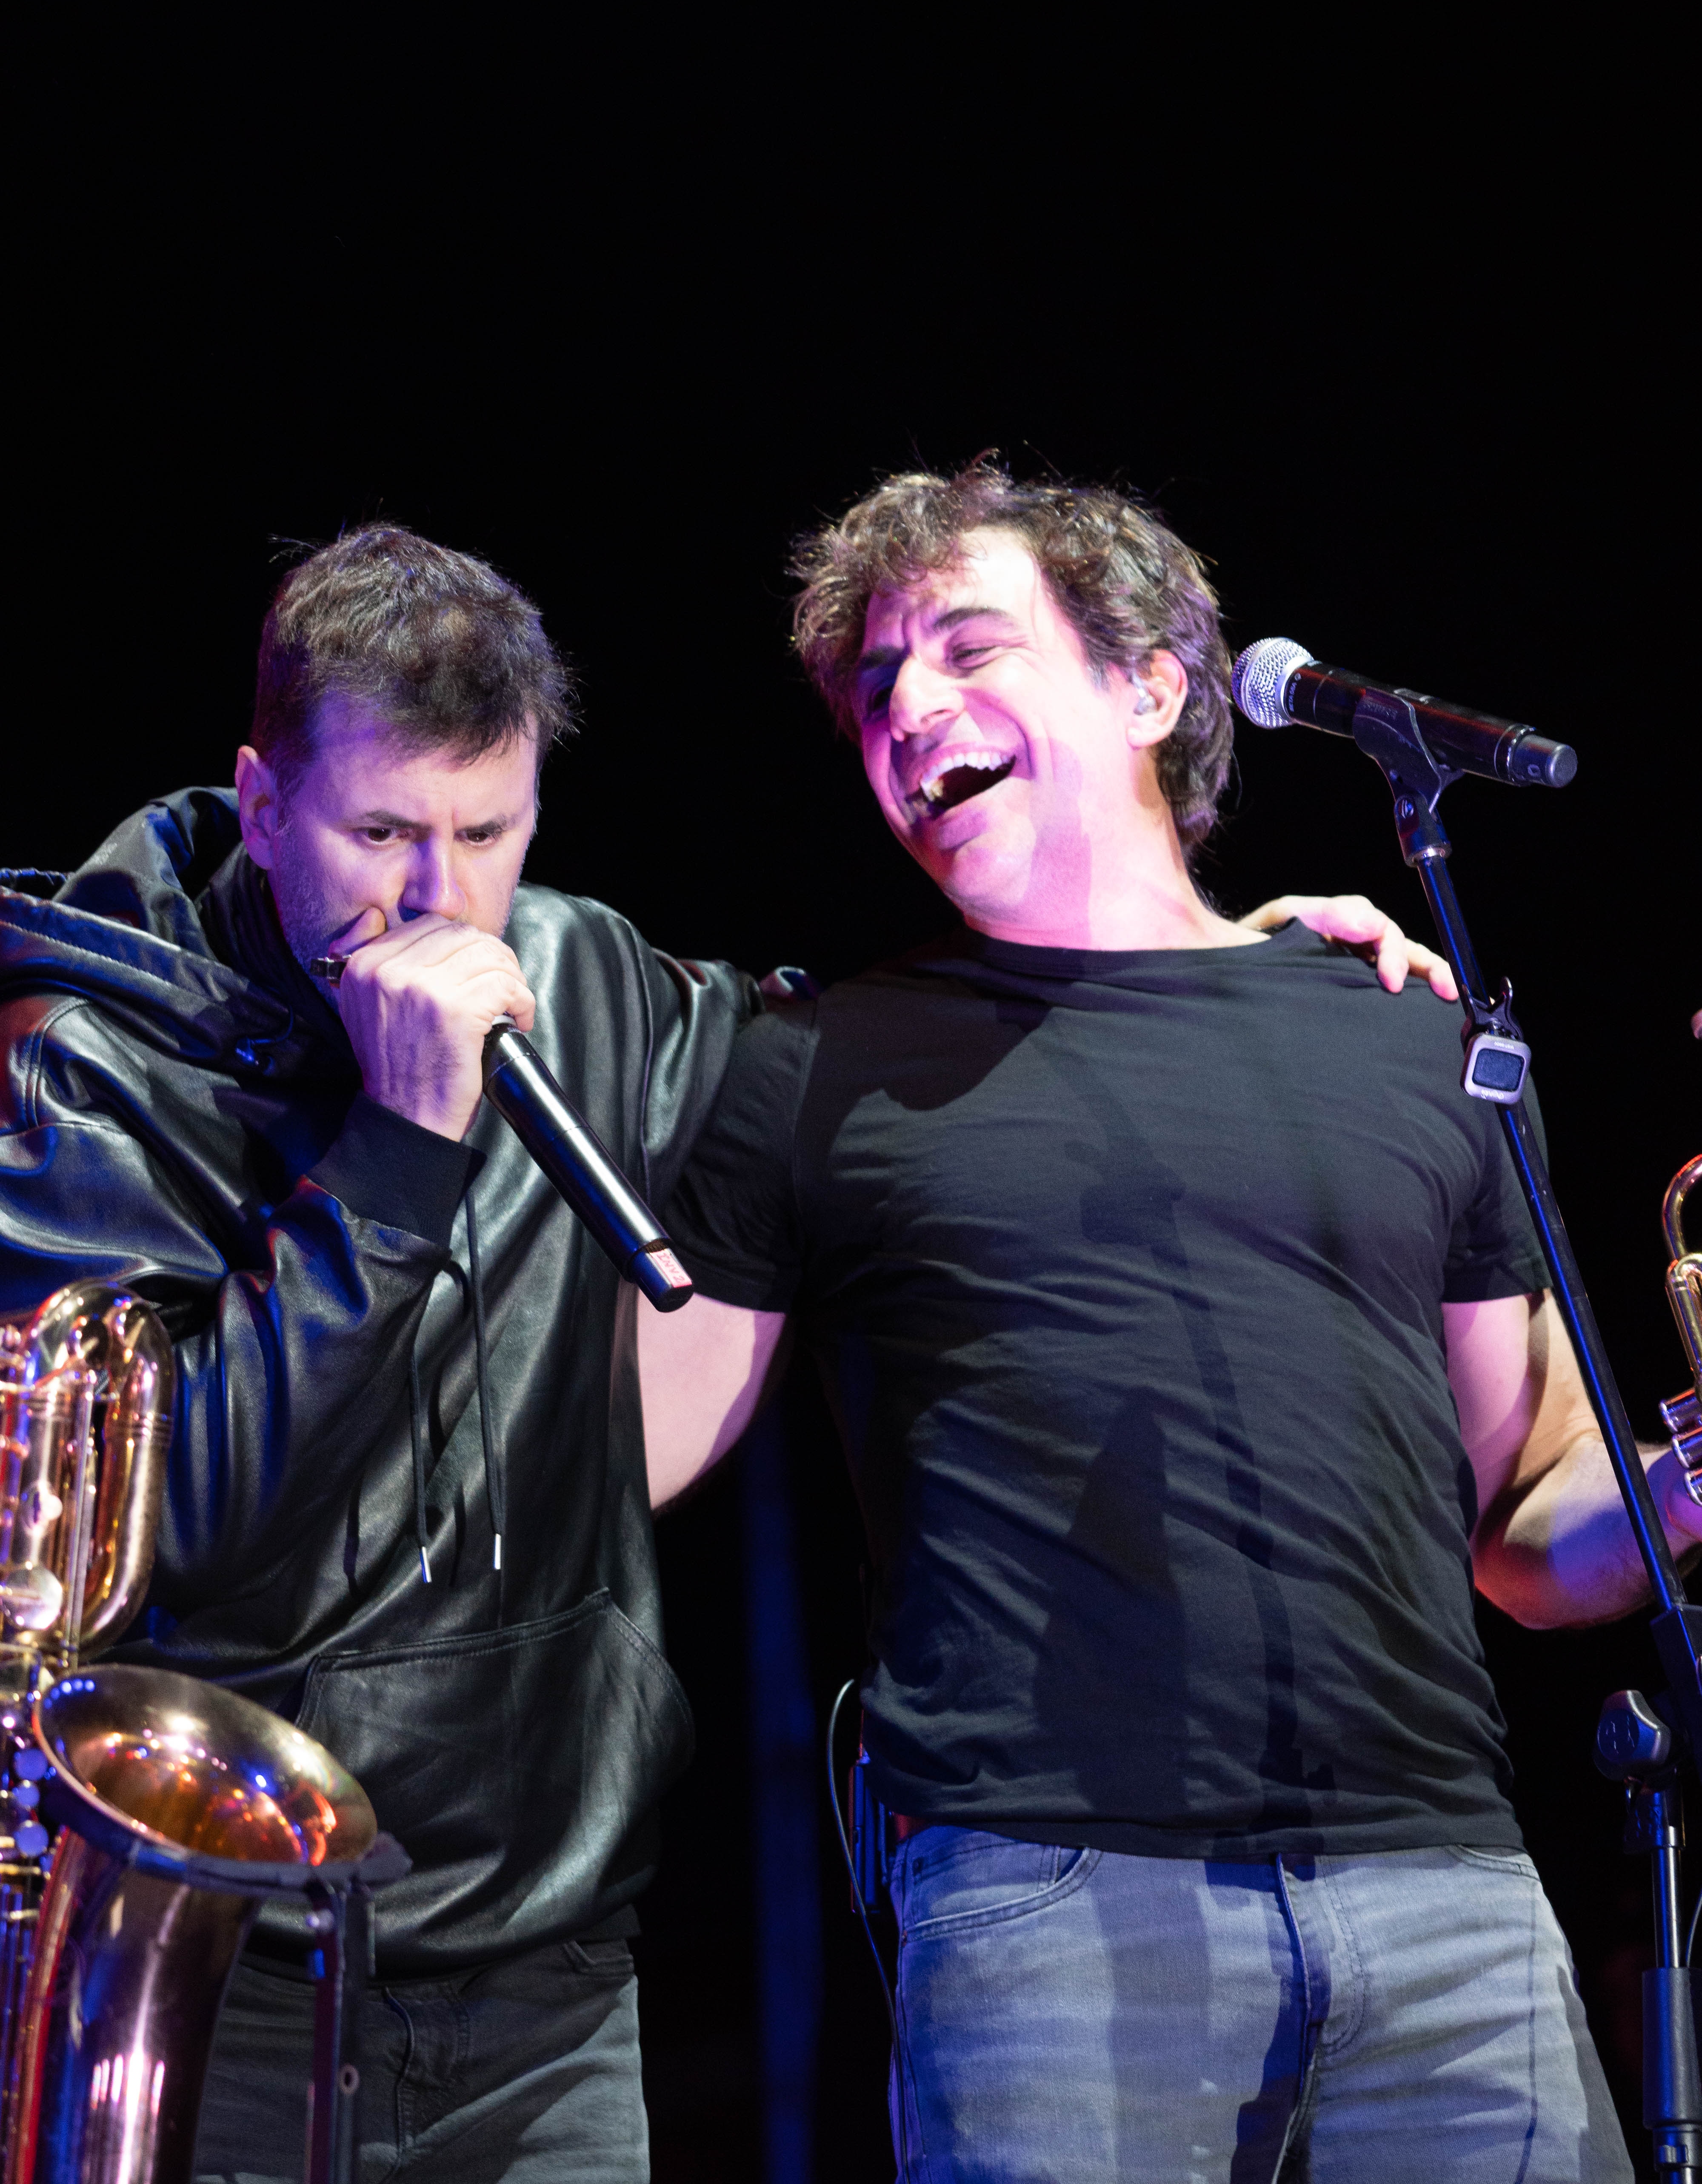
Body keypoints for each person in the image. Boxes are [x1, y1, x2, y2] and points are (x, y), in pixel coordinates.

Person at [0, 515, 1450, 2179]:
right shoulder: (90, 1066)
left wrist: (1204, 966)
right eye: (379, 833)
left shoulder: (583, 980)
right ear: (264, 805)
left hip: (543, 1987)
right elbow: (150, 1524)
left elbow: (873, 1077)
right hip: (220, 1976)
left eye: (485, 834)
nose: (436, 897)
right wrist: (395, 1157)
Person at [643, 461, 1682, 2182]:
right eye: (877, 687)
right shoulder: (818, 1065)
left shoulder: (1406, 1035)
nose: (909, 711)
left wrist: (1696, 1466)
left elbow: (1527, 1533)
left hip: (1448, 1897)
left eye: (968, 648)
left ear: (1148, 684)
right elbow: (623, 1448)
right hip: (1051, 1905)